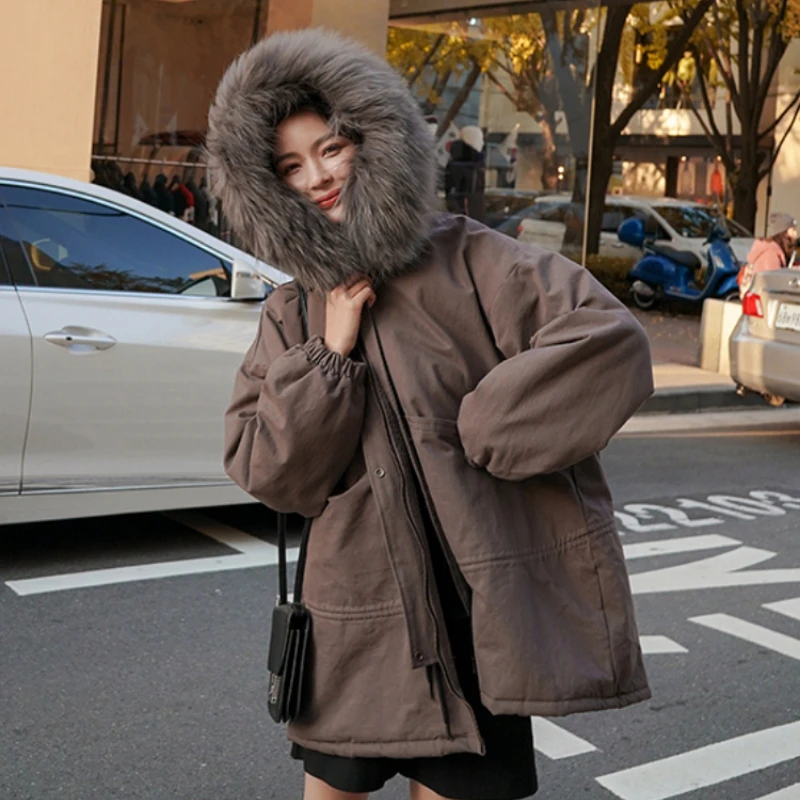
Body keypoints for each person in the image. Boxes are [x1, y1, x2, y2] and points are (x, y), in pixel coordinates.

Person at [207, 29, 653, 800]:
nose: (316, 177)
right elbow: (267, 469)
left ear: (372, 143)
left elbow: (610, 340)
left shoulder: (474, 260)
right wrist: (329, 356)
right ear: (267, 186)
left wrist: (492, 426)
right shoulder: (291, 314)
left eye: (332, 148)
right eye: (289, 165)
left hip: (480, 608)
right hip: (357, 619)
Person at [738, 212, 798, 296]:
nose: (796, 234)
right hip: (763, 300)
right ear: (784, 233)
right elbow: (774, 280)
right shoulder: (771, 253)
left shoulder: (773, 250)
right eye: (793, 230)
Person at [444, 125, 486, 221]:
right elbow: (455, 197)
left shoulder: (477, 165)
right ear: (471, 140)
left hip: (472, 220)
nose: (482, 142)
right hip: (465, 221)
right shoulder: (459, 166)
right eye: (480, 139)